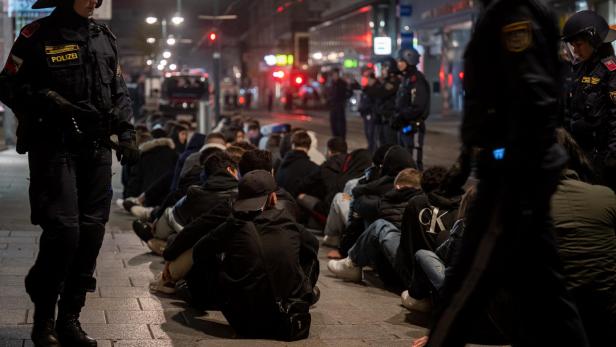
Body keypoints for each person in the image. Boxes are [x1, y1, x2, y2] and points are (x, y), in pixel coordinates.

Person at [426, 0, 589, 345]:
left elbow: (531, 96)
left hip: (511, 178)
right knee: (548, 289)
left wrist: (501, 158)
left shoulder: (514, 16)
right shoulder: (511, 13)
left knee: (466, 282)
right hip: (523, 171)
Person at [0, 0, 139, 346]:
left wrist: (127, 133)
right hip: (53, 146)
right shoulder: (36, 35)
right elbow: (6, 85)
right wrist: (47, 100)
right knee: (64, 233)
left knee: (91, 235)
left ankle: (70, 320)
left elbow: (119, 91)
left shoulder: (104, 37)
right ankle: (43, 322)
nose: (94, 1)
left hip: (96, 150)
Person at [186, 170, 319, 339]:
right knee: (309, 255)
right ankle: (306, 295)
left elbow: (199, 251)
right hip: (287, 316)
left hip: (244, 322)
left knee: (208, 255)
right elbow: (313, 245)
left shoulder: (234, 225)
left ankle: (201, 300)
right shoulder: (287, 221)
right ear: (273, 198)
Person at [562, 10, 616, 191]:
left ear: (594, 41)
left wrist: (612, 159)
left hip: (602, 161)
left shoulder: (611, 72)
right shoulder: (580, 69)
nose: (575, 50)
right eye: (572, 46)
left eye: (578, 44)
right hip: (581, 157)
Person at [394, 48, 430, 170]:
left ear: (409, 61)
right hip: (404, 126)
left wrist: (401, 115)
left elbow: (417, 106)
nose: (398, 64)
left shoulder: (416, 80)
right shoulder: (406, 79)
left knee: (413, 163)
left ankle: (418, 188)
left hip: (413, 127)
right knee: (404, 162)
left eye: (401, 61)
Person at [275, 131, 319, 197]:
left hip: (278, 203)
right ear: (309, 147)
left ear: (292, 145)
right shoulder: (313, 168)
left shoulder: (279, 164)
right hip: (296, 205)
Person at [326, 68, 350, 138]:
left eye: (335, 74)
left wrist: (343, 100)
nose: (334, 76)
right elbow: (329, 94)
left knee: (340, 125)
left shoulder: (342, 83)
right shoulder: (332, 83)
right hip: (333, 107)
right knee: (333, 124)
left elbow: (348, 93)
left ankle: (341, 139)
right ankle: (335, 138)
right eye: (333, 75)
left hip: (340, 107)